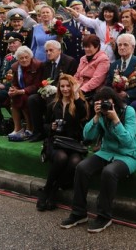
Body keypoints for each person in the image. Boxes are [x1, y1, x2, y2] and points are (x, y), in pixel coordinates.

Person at [60, 86, 136, 233]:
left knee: (109, 172)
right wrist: (96, 117)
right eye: (100, 103)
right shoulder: (100, 114)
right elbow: (88, 136)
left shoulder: (129, 111)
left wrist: (115, 119)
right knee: (82, 167)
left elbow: (128, 141)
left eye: (107, 102)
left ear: (114, 101)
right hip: (106, 152)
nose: (105, 106)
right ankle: (78, 213)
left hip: (128, 155)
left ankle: (104, 216)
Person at [37, 74, 89, 211]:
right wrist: (51, 127)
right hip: (56, 141)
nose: (65, 89)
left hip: (73, 143)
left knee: (75, 162)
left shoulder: (79, 103)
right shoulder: (53, 104)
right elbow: (45, 125)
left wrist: (77, 95)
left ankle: (52, 189)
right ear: (59, 88)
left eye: (68, 86)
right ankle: (48, 190)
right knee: (61, 157)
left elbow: (83, 115)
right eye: (62, 86)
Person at [6, 46, 43, 141]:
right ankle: (17, 128)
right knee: (13, 97)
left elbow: (37, 85)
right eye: (21, 58)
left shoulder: (38, 65)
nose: (24, 60)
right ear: (18, 59)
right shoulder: (15, 66)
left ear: (31, 57)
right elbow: (14, 83)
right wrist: (13, 90)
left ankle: (29, 128)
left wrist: (22, 91)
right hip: (21, 91)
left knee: (23, 97)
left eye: (26, 57)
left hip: (34, 92)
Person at [73, 34, 110, 100]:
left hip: (91, 92)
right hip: (77, 89)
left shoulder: (103, 59)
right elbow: (77, 75)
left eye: (89, 47)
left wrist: (81, 90)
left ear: (97, 47)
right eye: (85, 47)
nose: (86, 49)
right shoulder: (83, 58)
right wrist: (71, 86)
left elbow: (96, 80)